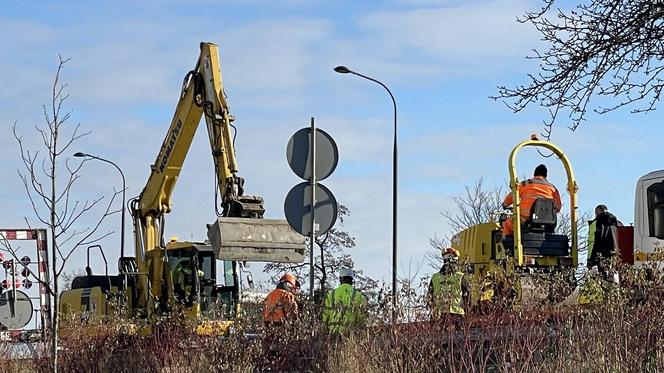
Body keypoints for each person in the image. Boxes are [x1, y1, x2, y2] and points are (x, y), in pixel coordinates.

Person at [501, 164, 562, 237]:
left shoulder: (525, 184)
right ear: (546, 176)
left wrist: (505, 205)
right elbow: (558, 207)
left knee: (507, 223)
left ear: (534, 174)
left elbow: (512, 195)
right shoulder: (552, 188)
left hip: (525, 219)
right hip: (547, 223)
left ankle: (508, 246)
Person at [428, 248, 468, 323]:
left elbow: (429, 298)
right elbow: (467, 298)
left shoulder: (435, 277)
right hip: (457, 315)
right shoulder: (460, 277)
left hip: (438, 316)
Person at [322, 268, 367, 334]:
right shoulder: (358, 295)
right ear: (351, 279)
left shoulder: (331, 294)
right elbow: (362, 317)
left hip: (332, 333)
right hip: (350, 335)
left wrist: (325, 331)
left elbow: (325, 314)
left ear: (340, 279)